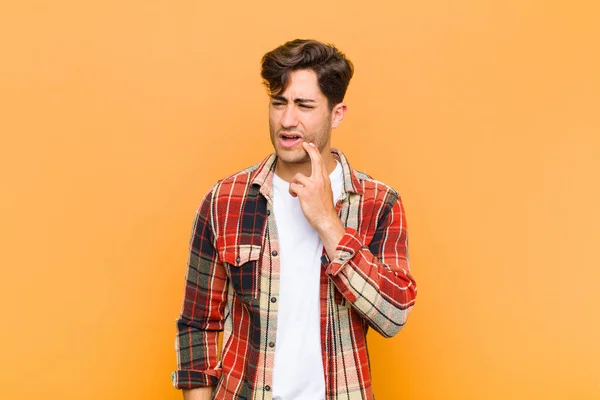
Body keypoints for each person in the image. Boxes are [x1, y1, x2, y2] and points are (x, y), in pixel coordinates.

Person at [172, 39, 417, 400]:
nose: (287, 120)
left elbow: (393, 315)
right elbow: (197, 324)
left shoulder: (378, 204)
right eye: (278, 103)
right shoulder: (225, 201)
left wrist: (327, 220)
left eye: (304, 105)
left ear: (337, 114)